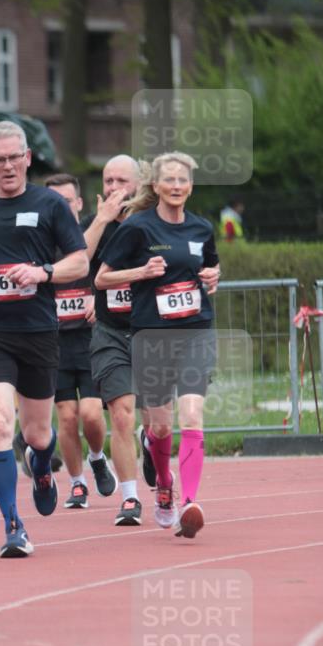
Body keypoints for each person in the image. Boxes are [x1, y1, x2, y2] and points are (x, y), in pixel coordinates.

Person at [0, 120, 89, 558]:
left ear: (28, 158)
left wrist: (42, 272)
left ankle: (42, 467)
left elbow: (80, 262)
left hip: (38, 332)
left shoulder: (49, 205)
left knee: (38, 433)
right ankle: (12, 524)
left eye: (14, 157)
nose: (7, 166)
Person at [95, 151, 220, 538]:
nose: (177, 186)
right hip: (152, 337)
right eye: (170, 180)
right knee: (161, 428)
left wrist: (214, 276)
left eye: (184, 181)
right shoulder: (137, 229)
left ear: (191, 186)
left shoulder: (201, 229)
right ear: (156, 186)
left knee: (193, 416)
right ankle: (164, 484)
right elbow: (101, 279)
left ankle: (190, 503)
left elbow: (209, 268)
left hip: (196, 332)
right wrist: (142, 272)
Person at [85, 155, 156, 526]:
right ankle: (130, 499)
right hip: (110, 333)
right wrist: (100, 220)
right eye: (107, 180)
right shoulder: (98, 225)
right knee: (122, 415)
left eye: (121, 181)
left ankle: (152, 445)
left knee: (157, 423)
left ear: (139, 184)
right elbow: (76, 263)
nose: (113, 188)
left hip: (152, 333)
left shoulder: (155, 222)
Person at [41, 172, 117, 509]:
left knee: (90, 414)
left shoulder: (95, 236)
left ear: (79, 203)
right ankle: (76, 484)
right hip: (54, 345)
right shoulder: (38, 240)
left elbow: (111, 275)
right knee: (67, 416)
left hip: (90, 343)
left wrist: (97, 301)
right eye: (53, 201)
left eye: (66, 201)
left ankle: (98, 457)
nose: (60, 207)